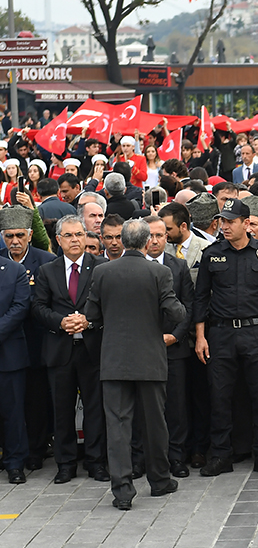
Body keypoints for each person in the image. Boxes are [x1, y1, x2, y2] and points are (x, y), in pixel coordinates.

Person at [85, 218, 186, 510]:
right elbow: (175, 312)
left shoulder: (103, 272)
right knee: (155, 423)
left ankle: (122, 491)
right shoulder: (160, 271)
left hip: (114, 360)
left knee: (117, 426)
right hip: (150, 360)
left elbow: (92, 313)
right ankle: (159, 480)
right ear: (145, 242)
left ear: (124, 242)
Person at [192, 199, 258, 476]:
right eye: (223, 221)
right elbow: (200, 297)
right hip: (220, 332)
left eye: (231, 221)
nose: (225, 226)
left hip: (257, 331)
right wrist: (200, 336)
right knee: (219, 395)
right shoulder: (212, 254)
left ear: (246, 223)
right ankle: (221, 455)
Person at [32, 214, 110, 484]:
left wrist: (87, 320)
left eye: (79, 234)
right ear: (58, 240)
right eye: (69, 236)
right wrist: (61, 321)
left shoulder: (100, 267)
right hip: (60, 349)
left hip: (92, 348)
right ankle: (65, 463)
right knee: (62, 408)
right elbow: (38, 307)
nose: (75, 240)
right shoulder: (47, 271)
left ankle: (96, 461)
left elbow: (107, 304)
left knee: (95, 407)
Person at [1, 206, 56, 472]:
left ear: (30, 235)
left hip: (36, 341)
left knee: (35, 400)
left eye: (20, 235)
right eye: (9, 236)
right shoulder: (2, 262)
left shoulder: (45, 261)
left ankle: (36, 449)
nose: (15, 241)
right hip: (9, 344)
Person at [144, 216, 197, 477]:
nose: (155, 240)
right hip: (142, 349)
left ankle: (176, 457)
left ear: (167, 237)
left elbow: (188, 306)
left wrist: (175, 336)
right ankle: (145, 457)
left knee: (176, 405)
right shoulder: (133, 266)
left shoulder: (179, 267)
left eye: (160, 235)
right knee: (146, 406)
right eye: (150, 235)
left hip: (174, 348)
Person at [0, 232, 31, 484]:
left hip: (9, 354)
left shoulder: (14, 270)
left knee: (12, 411)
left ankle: (15, 463)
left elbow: (20, 307)